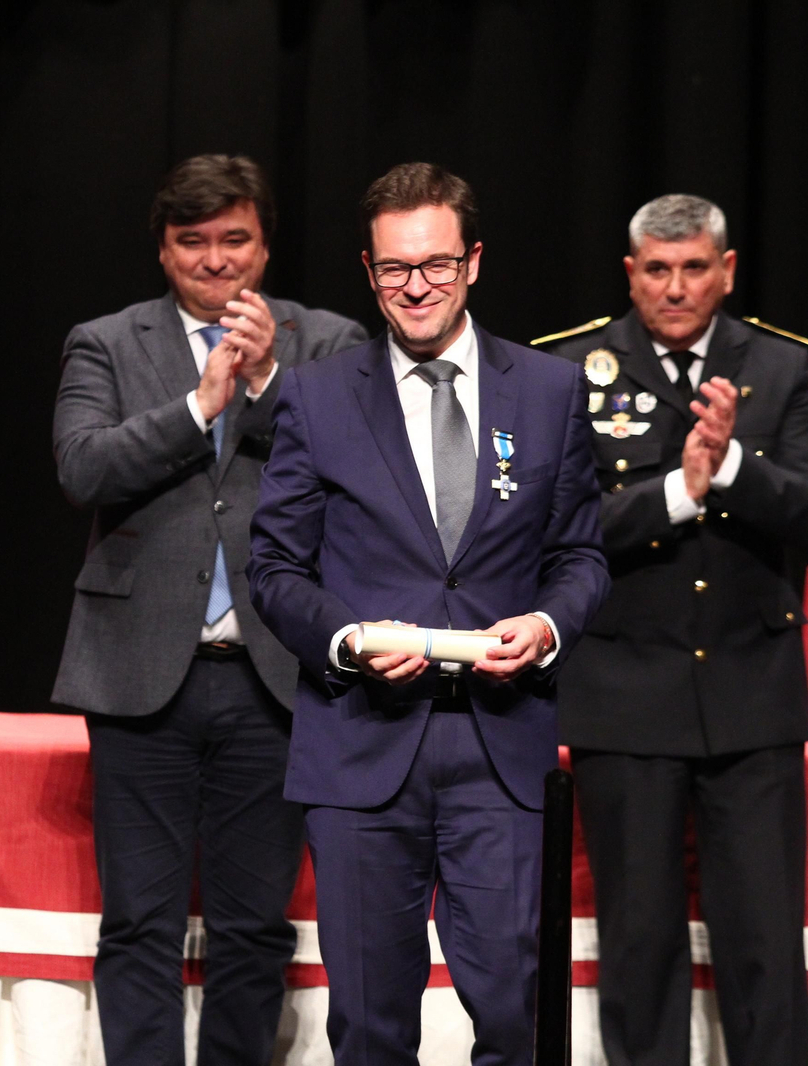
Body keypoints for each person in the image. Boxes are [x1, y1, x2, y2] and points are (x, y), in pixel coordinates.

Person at [246, 162, 609, 1066]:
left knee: (516, 1015)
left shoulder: (551, 390)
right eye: (395, 268)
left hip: (501, 748)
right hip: (362, 743)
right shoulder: (316, 394)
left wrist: (547, 627)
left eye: (437, 264)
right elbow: (276, 568)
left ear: (473, 262)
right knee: (370, 1025)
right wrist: (347, 640)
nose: (417, 286)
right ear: (369, 272)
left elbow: (579, 557)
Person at [52, 154, 367, 1066]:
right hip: (138, 672)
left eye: (236, 239)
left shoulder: (328, 342)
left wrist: (264, 383)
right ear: (164, 249)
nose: (216, 259)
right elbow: (83, 467)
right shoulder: (106, 341)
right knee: (138, 922)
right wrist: (197, 408)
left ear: (265, 247)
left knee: (253, 926)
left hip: (274, 674)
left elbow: (358, 466)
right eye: (194, 241)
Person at [533, 194, 808, 1066]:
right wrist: (678, 491)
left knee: (764, 943)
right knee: (641, 941)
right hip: (625, 695)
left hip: (752, 694)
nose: (676, 288)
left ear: (726, 271)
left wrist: (732, 464)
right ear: (631, 274)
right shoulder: (570, 368)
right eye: (658, 270)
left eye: (694, 268)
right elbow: (554, 531)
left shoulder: (777, 366)